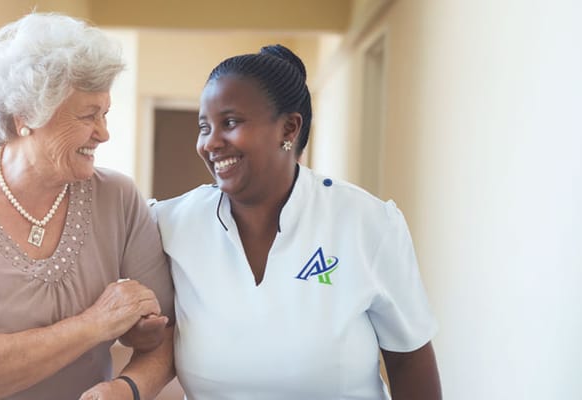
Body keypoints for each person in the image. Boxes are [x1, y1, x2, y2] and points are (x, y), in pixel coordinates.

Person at [0, 13, 175, 400]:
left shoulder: (119, 198)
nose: (104, 133)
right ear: (24, 117)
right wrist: (96, 323)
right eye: (88, 115)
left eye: (105, 113)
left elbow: (169, 334)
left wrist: (128, 387)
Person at [152, 45, 442, 399]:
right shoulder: (171, 224)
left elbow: (410, 361)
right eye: (204, 127)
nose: (210, 142)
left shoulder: (367, 223)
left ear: (289, 128)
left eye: (230, 123)